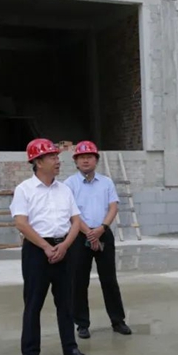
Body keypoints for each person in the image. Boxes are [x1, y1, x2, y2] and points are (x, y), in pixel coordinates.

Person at [10, 138, 89, 355]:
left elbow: (76, 221)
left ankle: (70, 348)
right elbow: (21, 223)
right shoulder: (24, 190)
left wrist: (64, 246)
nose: (57, 161)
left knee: (66, 302)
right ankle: (30, 354)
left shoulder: (64, 189)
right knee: (33, 303)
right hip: (36, 251)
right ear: (38, 162)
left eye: (57, 157)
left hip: (64, 248)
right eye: (52, 157)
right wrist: (45, 247)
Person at [64, 141, 132, 340]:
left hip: (103, 232)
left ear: (96, 160)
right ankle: (82, 324)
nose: (85, 160)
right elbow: (71, 212)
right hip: (79, 236)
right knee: (79, 281)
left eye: (89, 157)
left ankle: (118, 321)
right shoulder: (69, 184)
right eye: (81, 157)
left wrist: (102, 228)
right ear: (76, 161)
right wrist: (88, 232)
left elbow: (113, 207)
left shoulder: (106, 182)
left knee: (109, 279)